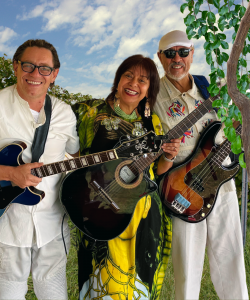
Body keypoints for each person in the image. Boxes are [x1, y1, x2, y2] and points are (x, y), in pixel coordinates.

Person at [0, 39, 80, 299]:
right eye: (28, 66)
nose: (35, 74)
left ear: (54, 74)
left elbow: (74, 157)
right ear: (16, 67)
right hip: (5, 228)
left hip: (53, 226)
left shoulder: (65, 113)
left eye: (44, 68)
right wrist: (10, 174)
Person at [72, 54, 181, 299]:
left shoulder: (153, 122)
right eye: (128, 75)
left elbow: (158, 171)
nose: (134, 84)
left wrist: (169, 156)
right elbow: (69, 151)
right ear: (118, 79)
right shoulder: (89, 113)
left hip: (143, 214)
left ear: (150, 89)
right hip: (102, 208)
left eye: (143, 80)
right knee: (102, 283)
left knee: (138, 282)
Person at [153, 30, 249, 300]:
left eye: (183, 52)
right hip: (183, 191)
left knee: (231, 261)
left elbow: (229, 125)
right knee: (187, 269)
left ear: (192, 53)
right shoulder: (153, 97)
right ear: (160, 57)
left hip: (222, 184)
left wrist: (238, 126)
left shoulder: (211, 89)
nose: (177, 59)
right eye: (169, 53)